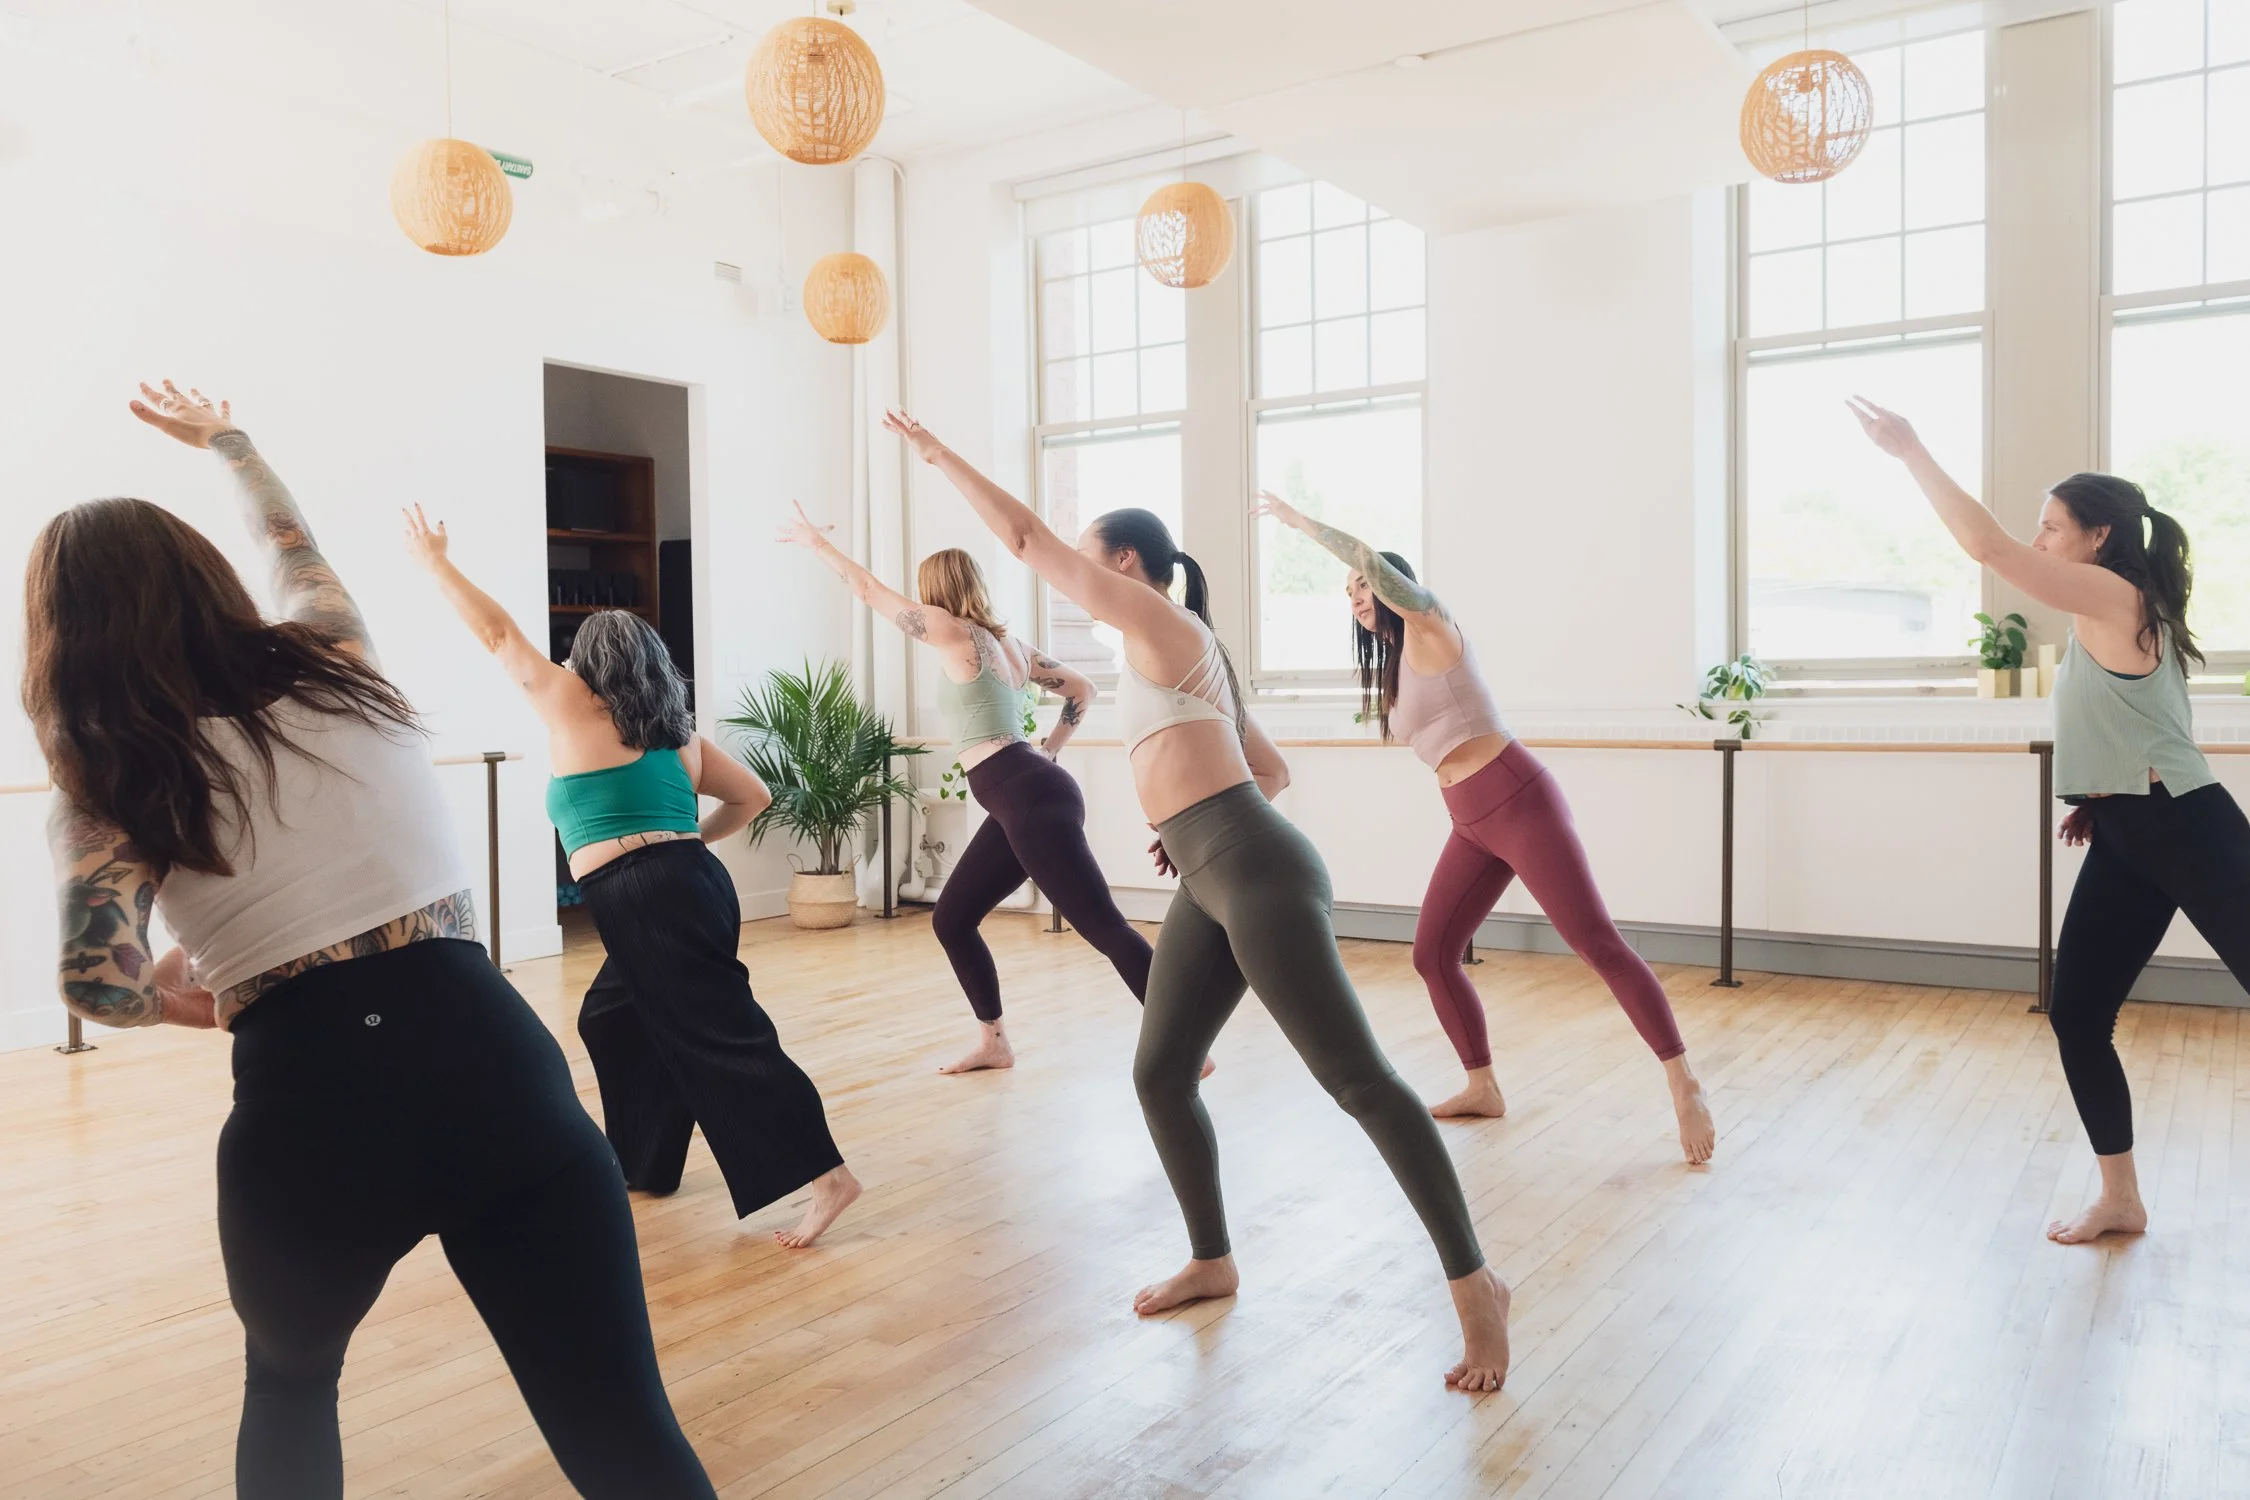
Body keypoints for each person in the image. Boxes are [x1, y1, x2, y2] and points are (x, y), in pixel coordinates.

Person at [27, 382, 717, 1499]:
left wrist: (172, 995)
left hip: (313, 1118)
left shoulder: (108, 778)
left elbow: (91, 984)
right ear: (206, 584)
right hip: (496, 1071)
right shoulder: (335, 657)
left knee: (290, 1391)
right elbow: (289, 541)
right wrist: (229, 443)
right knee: (622, 1429)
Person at [886, 409, 1511, 1392]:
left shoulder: (1158, 621)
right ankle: (1213, 1255)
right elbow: (1267, 768)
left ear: (1123, 563)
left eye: (1089, 560)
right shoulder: (1181, 646)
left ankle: (1477, 1284)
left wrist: (939, 454)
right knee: (1161, 1072)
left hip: (1256, 873)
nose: (1074, 575)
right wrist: (1189, 826)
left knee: (1358, 1082)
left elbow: (1020, 539)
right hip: (1220, 870)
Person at [403, 506, 860, 1249]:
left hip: (649, 895)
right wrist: (682, 845)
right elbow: (753, 798)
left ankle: (827, 1176)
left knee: (725, 1038)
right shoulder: (677, 730)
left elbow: (497, 636)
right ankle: (645, 1165)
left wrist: (436, 564)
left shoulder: (573, 702)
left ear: (588, 662)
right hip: (685, 887)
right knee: (610, 1017)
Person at [1851, 396, 2250, 1245]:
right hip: (2131, 834)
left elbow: (1989, 548)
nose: (2038, 541)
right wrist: (2094, 800)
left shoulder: (2115, 595)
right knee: (2077, 1015)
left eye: (2052, 526)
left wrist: (1912, 448)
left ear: (2097, 537)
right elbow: (2129, 723)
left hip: (2186, 827)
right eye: (2040, 528)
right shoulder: (2104, 610)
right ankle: (2121, 1198)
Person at [1251, 493, 1716, 1163]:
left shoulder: (1431, 627)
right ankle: (1482, 1085)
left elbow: (1376, 568)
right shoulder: (1395, 660)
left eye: (1364, 582)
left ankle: (1683, 1081)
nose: (1355, 593)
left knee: (1597, 944)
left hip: (1519, 802)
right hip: (1470, 820)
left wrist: (1300, 526)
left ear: (1390, 583)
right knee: (1433, 953)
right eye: (1347, 589)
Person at [778, 502, 1165, 1074]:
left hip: (1027, 796)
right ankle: (995, 1041)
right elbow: (1082, 689)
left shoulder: (950, 629)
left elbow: (867, 589)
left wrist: (818, 545)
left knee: (1102, 924)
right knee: (951, 918)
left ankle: (1184, 1040)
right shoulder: (1011, 647)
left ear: (933, 593)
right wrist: (1050, 750)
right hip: (1027, 792)